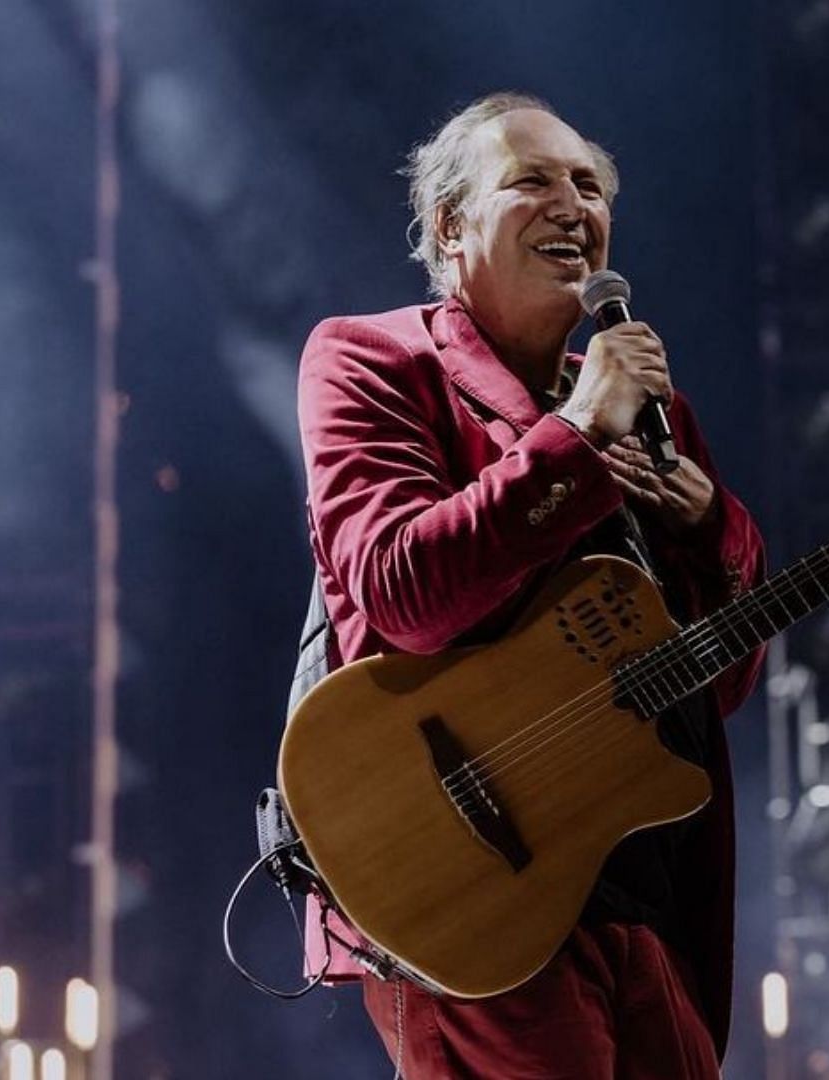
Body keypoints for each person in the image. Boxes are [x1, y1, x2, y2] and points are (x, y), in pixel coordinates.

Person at [294, 91, 765, 1078]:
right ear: (450, 227)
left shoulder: (652, 411)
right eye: (533, 181)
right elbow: (402, 593)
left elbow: (715, 684)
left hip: (637, 890)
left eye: (589, 187)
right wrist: (577, 433)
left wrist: (707, 527)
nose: (572, 205)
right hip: (469, 888)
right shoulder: (373, 359)